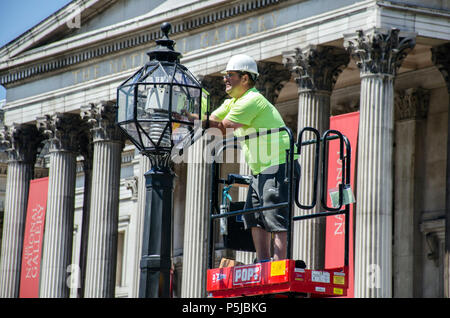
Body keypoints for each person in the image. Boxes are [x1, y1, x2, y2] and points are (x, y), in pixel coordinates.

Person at [206, 54, 299, 262]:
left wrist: (193, 122)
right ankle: (264, 262)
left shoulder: (251, 100)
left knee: (274, 213)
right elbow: (213, 120)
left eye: (230, 75)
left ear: (245, 78)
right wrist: (190, 119)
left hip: (278, 163)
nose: (224, 80)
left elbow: (222, 127)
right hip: (262, 168)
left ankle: (277, 263)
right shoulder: (235, 102)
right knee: (253, 215)